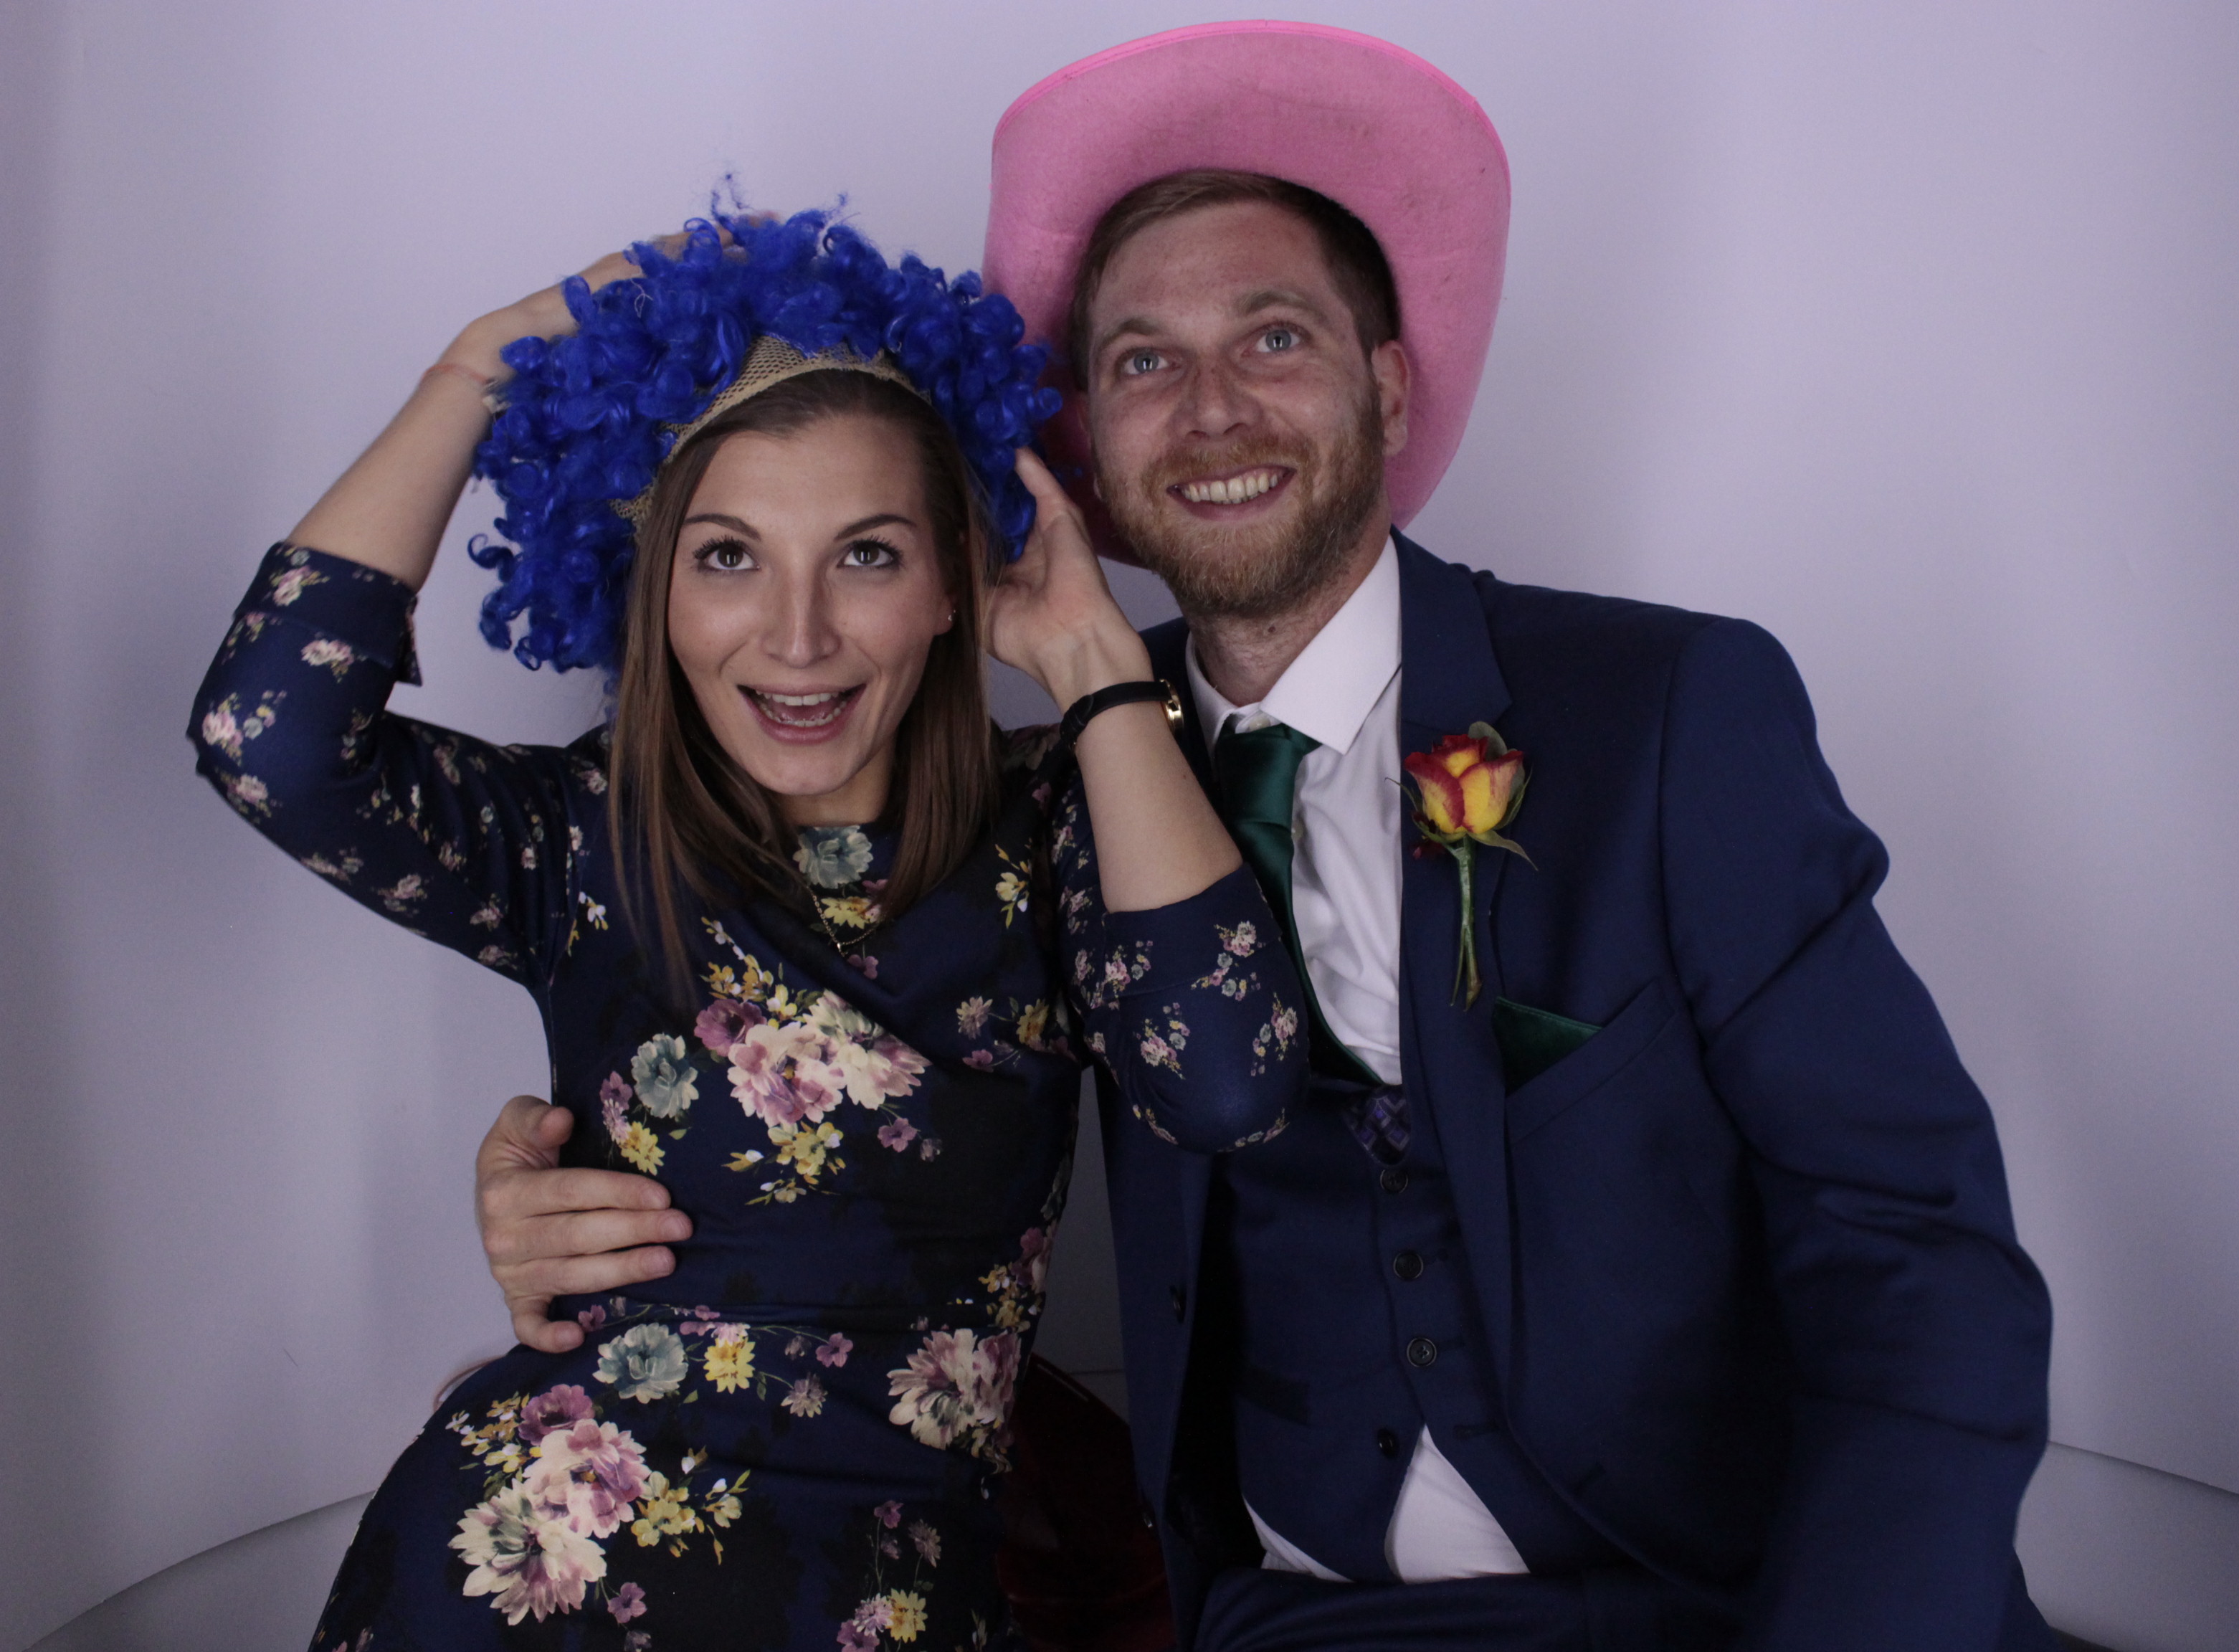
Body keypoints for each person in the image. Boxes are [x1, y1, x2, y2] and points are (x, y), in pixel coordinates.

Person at [475, 23, 2061, 1651]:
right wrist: (564, 1184)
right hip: (1294, 1615)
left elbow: (1912, 1247)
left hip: (1723, 1601)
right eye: (1142, 363)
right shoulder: (1043, 797)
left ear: (1389, 383)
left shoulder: (1664, 713)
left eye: (1274, 337)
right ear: (1083, 443)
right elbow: (802, 1042)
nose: (1212, 411)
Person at [188, 206, 1304, 1648]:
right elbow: (267, 737)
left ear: (956, 582)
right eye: (727, 558)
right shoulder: (585, 839)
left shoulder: (1063, 816)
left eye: (867, 555)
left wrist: (1095, 663)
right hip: (517, 1587)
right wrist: (477, 366)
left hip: (892, 1600)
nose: (796, 635)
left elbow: (1227, 1079)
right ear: (653, 591)